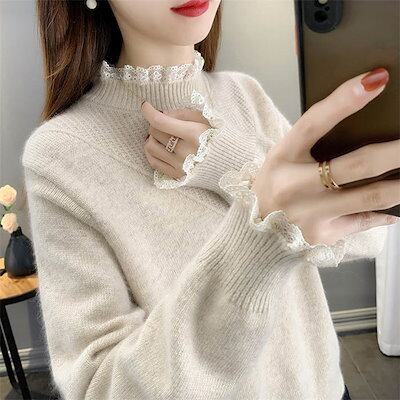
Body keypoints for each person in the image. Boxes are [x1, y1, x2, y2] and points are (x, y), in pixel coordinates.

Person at [21, 0, 399, 399]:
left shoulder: (244, 94)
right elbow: (102, 389)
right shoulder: (60, 156)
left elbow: (368, 236)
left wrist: (235, 168)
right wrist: (260, 236)